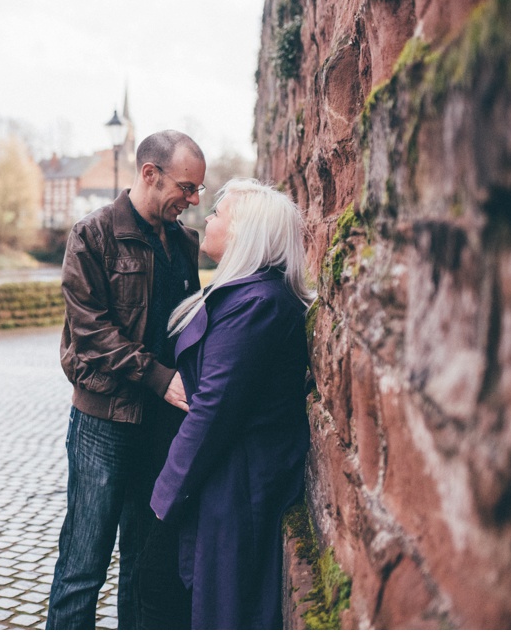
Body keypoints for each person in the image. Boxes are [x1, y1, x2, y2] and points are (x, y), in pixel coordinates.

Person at [47, 130, 206, 630]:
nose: (194, 199)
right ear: (149, 174)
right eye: (187, 187)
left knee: (141, 568)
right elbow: (91, 331)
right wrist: (159, 378)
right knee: (83, 568)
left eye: (199, 190)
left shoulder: (184, 243)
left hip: (161, 430)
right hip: (102, 424)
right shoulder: (90, 235)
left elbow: (189, 327)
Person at [150, 179, 313, 629]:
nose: (207, 219)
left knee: (226, 611)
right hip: (228, 478)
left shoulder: (256, 305)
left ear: (245, 231)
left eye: (219, 214)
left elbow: (213, 411)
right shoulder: (250, 295)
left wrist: (164, 497)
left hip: (238, 486)